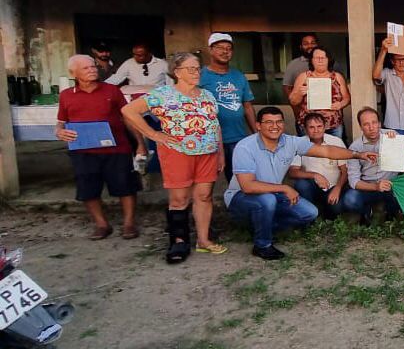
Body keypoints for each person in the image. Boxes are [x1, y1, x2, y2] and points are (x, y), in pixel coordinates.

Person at [225, 107, 374, 259]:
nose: (275, 126)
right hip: (241, 197)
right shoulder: (245, 147)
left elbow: (327, 151)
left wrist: (358, 155)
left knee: (310, 213)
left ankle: (263, 226)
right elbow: (248, 186)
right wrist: (284, 188)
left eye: (279, 122)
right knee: (267, 199)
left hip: (273, 194)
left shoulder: (290, 142)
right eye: (269, 122)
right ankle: (262, 245)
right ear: (258, 125)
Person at [121, 52, 227, 263]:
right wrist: (153, 134)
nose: (196, 72)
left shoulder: (207, 95)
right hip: (178, 152)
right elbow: (128, 110)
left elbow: (214, 125)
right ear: (177, 72)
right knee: (179, 199)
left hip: (207, 153)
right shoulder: (163, 94)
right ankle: (179, 241)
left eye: (197, 68)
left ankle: (203, 240)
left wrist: (220, 152)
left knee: (204, 196)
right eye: (191, 69)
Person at [55, 54, 145, 240]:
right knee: (88, 189)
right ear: (73, 73)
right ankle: (102, 224)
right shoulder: (66, 95)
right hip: (83, 151)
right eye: (86, 68)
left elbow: (128, 118)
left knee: (126, 186)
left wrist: (140, 144)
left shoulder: (112, 91)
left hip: (117, 149)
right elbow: (61, 122)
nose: (92, 70)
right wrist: (59, 131)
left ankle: (129, 224)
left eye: (93, 66)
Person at [340, 107, 404, 224]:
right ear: (360, 127)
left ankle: (391, 215)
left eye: (374, 123)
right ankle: (366, 212)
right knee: (350, 199)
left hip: (391, 185)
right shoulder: (355, 147)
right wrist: (375, 187)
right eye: (366, 124)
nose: (371, 127)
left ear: (379, 123)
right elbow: (354, 182)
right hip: (368, 187)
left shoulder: (392, 136)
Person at [199, 33, 256, 182]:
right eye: (220, 48)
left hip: (237, 137)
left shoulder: (238, 76)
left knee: (237, 180)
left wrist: (256, 133)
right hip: (209, 139)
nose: (225, 51)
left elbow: (247, 106)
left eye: (229, 48)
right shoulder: (200, 76)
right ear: (210, 50)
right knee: (207, 181)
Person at [287, 112, 349, 219]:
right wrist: (315, 175)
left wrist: (338, 188)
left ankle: (327, 218)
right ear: (305, 129)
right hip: (312, 188)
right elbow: (292, 172)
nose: (316, 130)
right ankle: (310, 218)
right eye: (311, 127)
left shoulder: (336, 141)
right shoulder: (300, 143)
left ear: (325, 127)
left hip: (333, 187)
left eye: (319, 126)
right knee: (301, 185)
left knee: (336, 208)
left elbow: (345, 170)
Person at [289, 47, 350, 139]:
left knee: (335, 147)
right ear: (312, 60)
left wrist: (340, 104)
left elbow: (347, 98)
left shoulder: (337, 77)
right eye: (317, 58)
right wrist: (299, 93)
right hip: (310, 126)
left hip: (333, 125)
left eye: (323, 57)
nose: (320, 60)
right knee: (309, 148)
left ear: (328, 60)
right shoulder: (303, 77)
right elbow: (293, 101)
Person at [282, 33, 318, 101]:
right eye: (306, 44)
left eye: (313, 43)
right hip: (301, 105)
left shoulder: (329, 62)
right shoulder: (293, 64)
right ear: (301, 46)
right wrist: (295, 104)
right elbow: (287, 88)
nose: (310, 46)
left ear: (317, 45)